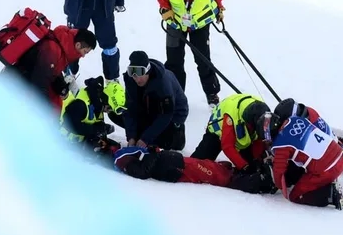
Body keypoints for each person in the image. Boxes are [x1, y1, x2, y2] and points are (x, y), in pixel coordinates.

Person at [156, 0, 225, 107]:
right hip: (175, 23)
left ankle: (212, 93)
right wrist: (165, 8)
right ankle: (175, 93)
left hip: (200, 24)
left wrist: (219, 8)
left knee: (203, 60)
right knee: (174, 62)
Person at [257, 110, 343, 210]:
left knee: (295, 196)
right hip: (339, 155)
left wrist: (277, 185)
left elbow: (279, 171)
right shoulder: (294, 119)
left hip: (328, 169)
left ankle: (331, 194)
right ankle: (326, 182)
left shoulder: (281, 145)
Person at [0, 24, 96, 114]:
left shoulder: (61, 46)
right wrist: (47, 113)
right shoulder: (52, 49)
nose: (83, 56)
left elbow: (50, 71)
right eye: (85, 52)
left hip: (21, 82)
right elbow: (39, 83)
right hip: (13, 86)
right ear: (78, 45)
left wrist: (61, 85)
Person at [111, 145, 278, 195]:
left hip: (177, 162)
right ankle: (262, 181)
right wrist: (153, 153)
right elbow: (143, 172)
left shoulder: (123, 154)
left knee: (213, 167)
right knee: (218, 177)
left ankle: (255, 173)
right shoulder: (123, 160)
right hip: (177, 168)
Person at [118, 50, 188, 151]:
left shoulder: (162, 82)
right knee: (116, 114)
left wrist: (145, 139)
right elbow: (130, 109)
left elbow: (167, 114)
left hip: (172, 114)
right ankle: (143, 133)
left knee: (165, 143)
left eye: (140, 73)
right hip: (148, 110)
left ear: (148, 71)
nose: (137, 79)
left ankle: (176, 134)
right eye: (133, 74)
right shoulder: (130, 80)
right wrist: (131, 137)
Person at [190, 93, 271, 175]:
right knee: (198, 165)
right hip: (217, 131)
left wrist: (257, 159)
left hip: (243, 135)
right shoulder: (232, 117)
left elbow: (259, 139)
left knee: (252, 166)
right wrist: (244, 166)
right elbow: (227, 146)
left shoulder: (263, 112)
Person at [60, 75, 127, 149]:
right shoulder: (81, 103)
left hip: (81, 142)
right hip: (64, 143)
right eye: (110, 108)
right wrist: (96, 129)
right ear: (106, 100)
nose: (108, 111)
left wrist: (102, 128)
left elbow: (91, 122)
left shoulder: (97, 103)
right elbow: (69, 124)